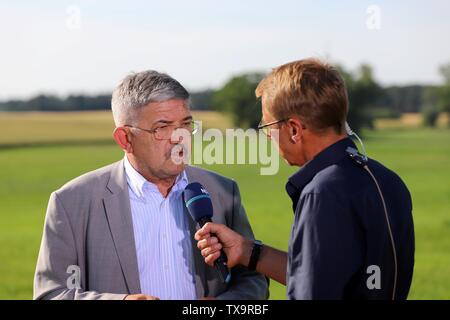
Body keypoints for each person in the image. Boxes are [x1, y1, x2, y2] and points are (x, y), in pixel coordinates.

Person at [33, 70, 268, 300]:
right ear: (125, 139)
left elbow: (253, 280)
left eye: (186, 124)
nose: (179, 137)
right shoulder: (72, 202)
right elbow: (51, 293)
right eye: (162, 128)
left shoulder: (224, 191)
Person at [195, 58, 415, 300]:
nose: (268, 137)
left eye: (268, 126)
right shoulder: (386, 179)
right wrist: (247, 251)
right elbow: (331, 276)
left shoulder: (322, 193)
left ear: (294, 129)